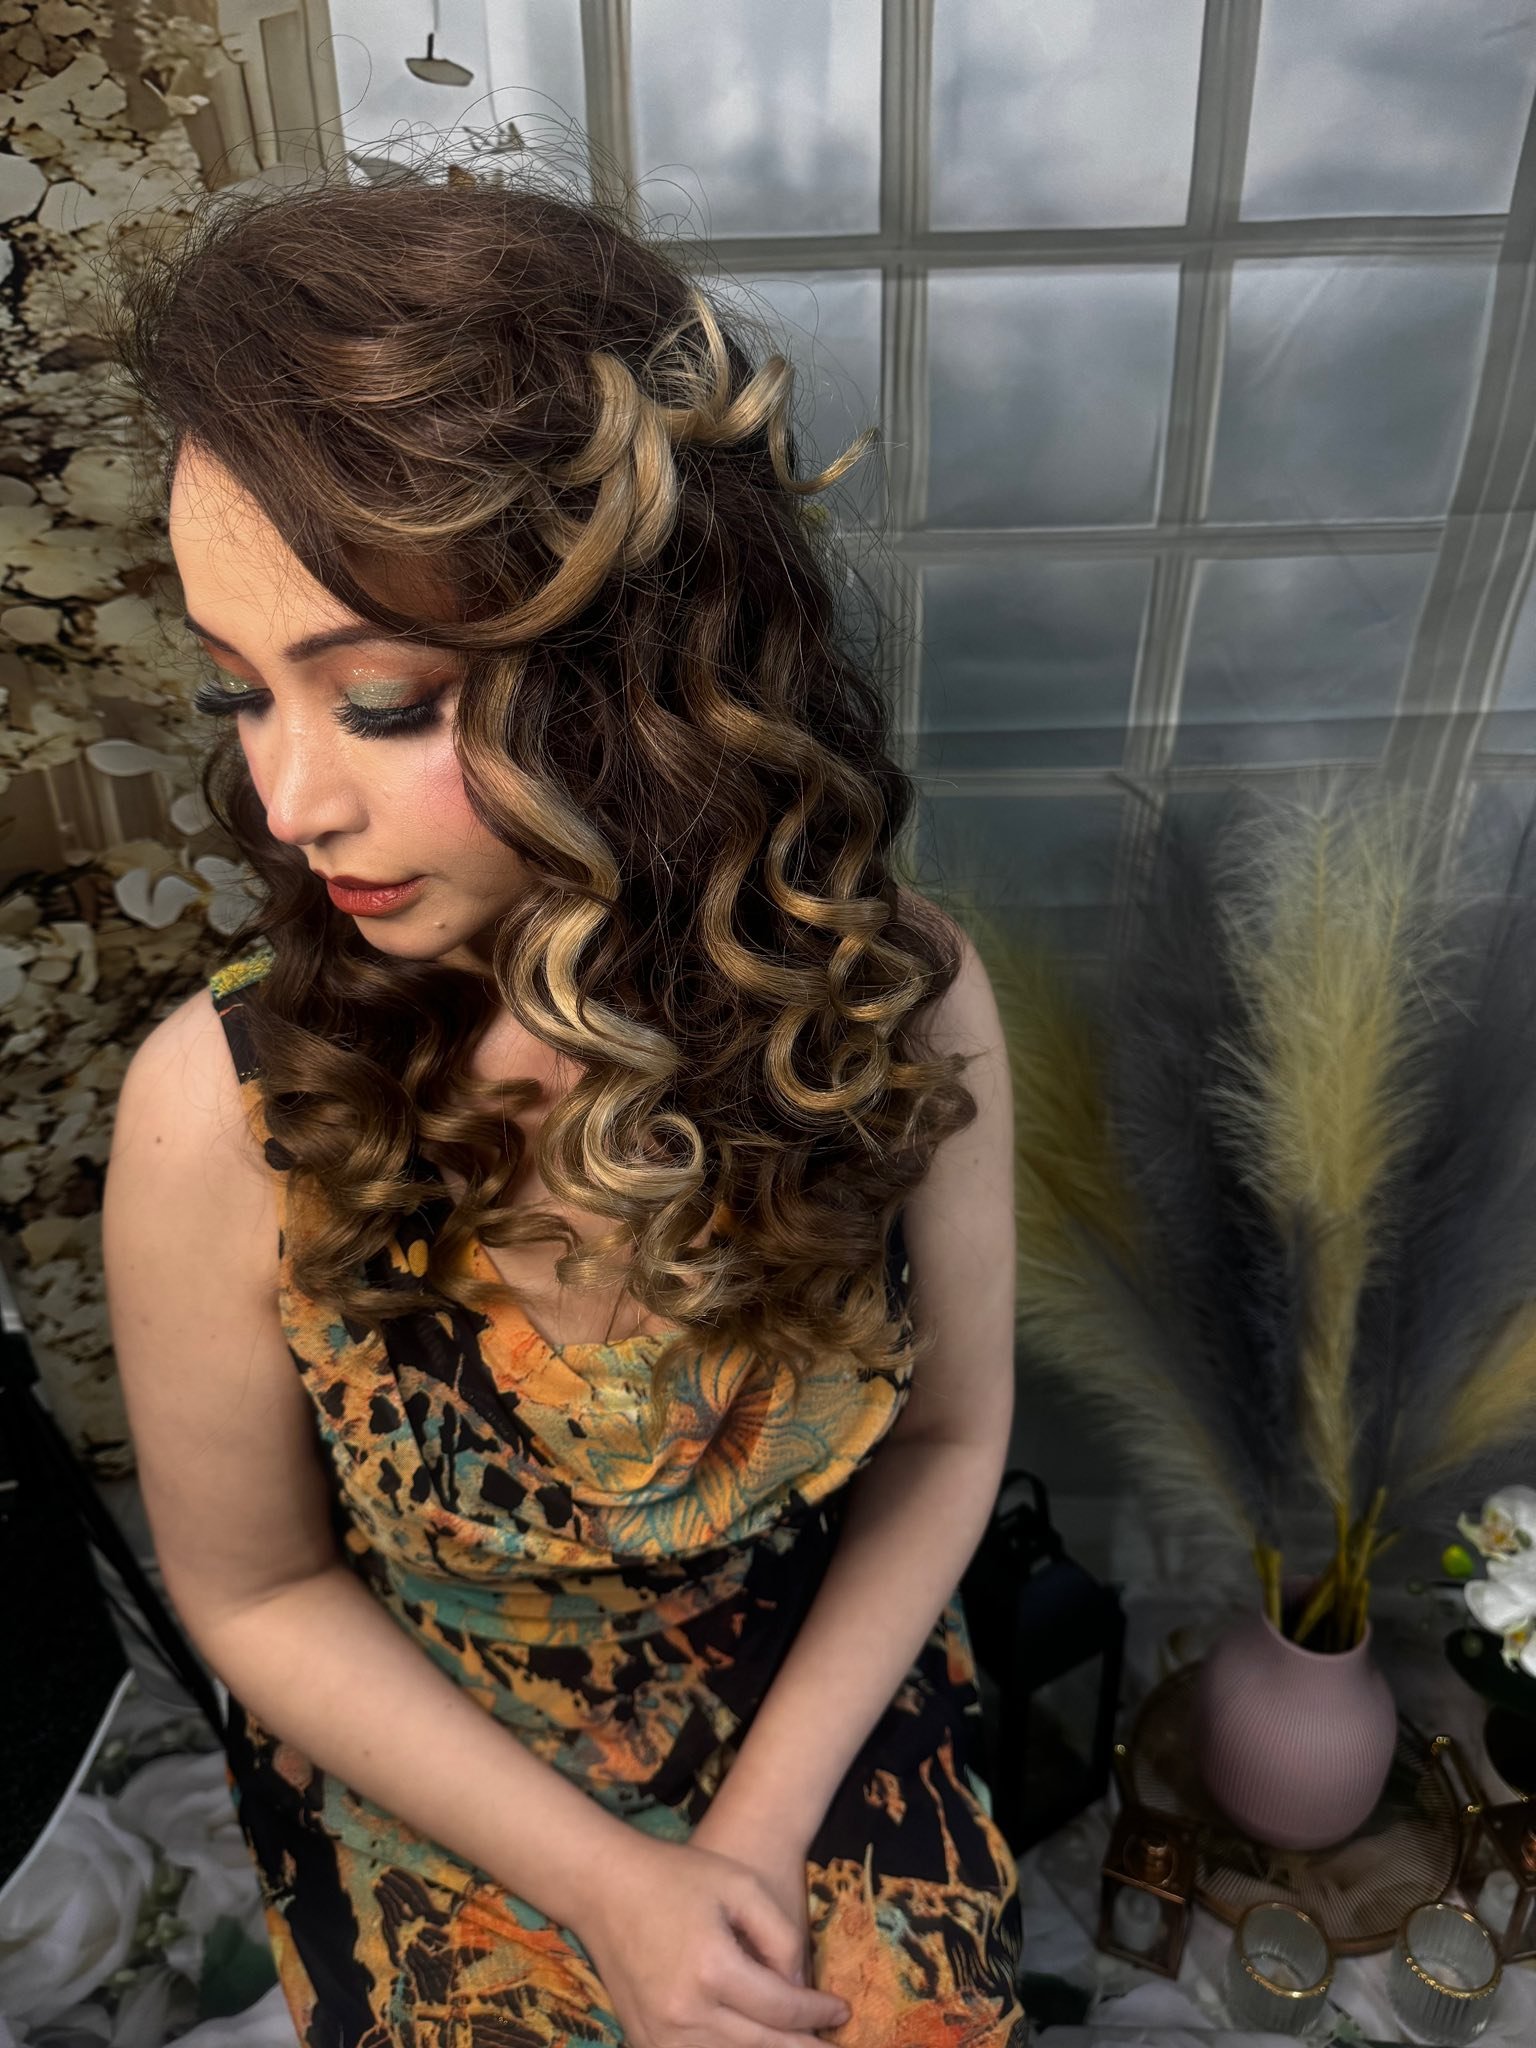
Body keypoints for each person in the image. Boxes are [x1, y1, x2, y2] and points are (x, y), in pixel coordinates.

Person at [101, 165, 1026, 2048]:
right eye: (235, 695)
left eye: (378, 702)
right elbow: (256, 1591)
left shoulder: (897, 1005)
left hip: (817, 1695)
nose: (287, 805)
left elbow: (947, 1444)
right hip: (440, 1760)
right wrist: (613, 1891)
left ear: (635, 676)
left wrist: (746, 1848)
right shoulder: (219, 1113)